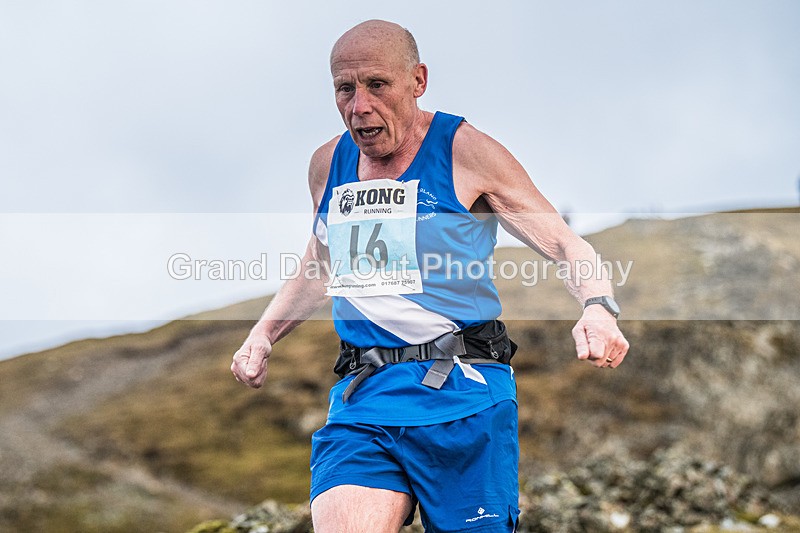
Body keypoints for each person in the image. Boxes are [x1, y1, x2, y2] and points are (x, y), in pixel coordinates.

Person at [231, 19, 629, 532]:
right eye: (345, 89)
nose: (359, 106)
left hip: (464, 398)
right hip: (365, 400)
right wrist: (262, 335)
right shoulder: (327, 164)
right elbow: (323, 262)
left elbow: (563, 242)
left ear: (417, 80)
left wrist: (598, 307)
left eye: (377, 85)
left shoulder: (465, 151)